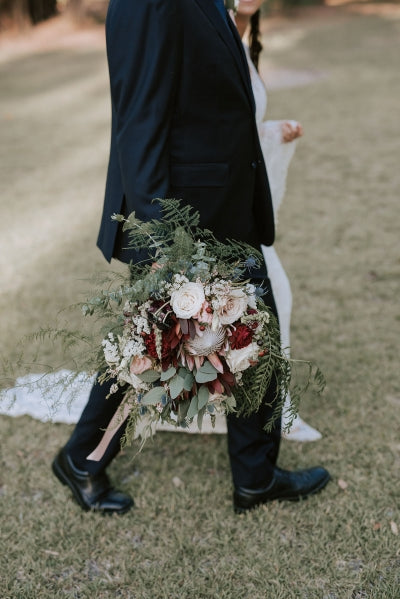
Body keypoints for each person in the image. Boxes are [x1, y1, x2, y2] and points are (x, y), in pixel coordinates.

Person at [52, 0, 330, 515]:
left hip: (226, 205)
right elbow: (139, 121)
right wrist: (164, 244)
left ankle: (255, 478)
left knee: (258, 335)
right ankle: (81, 460)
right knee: (148, 350)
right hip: (181, 220)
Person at [236, 0, 322, 442]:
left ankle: (270, 408)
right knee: (272, 299)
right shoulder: (212, 38)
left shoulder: (245, 41)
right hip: (225, 204)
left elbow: (241, 129)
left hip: (245, 203)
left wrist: (274, 130)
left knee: (274, 301)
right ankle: (271, 412)